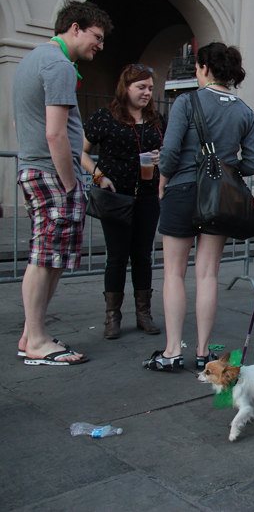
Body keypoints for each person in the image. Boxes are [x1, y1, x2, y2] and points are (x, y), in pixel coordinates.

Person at [143, 42, 254, 372]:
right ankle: (203, 351)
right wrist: (226, 166)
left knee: (174, 272)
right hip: (219, 198)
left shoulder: (187, 101)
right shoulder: (244, 111)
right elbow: (253, 163)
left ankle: (172, 351)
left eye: (197, 67)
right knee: (208, 273)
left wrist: (164, 179)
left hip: (182, 190)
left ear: (205, 68)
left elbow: (169, 152)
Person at [13, 0, 112, 365]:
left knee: (49, 257)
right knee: (45, 258)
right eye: (97, 36)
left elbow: (22, 123)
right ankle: (37, 340)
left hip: (37, 168)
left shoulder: (33, 60)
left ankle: (32, 334)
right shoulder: (59, 66)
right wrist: (70, 184)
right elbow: (55, 134)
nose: (100, 45)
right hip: (52, 174)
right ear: (75, 28)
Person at [80, 64, 164, 340]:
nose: (147, 93)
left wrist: (161, 158)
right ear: (125, 88)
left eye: (150, 88)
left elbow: (167, 151)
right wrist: (99, 176)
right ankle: (112, 317)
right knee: (116, 257)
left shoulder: (155, 120)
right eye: (141, 87)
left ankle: (144, 314)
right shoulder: (105, 116)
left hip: (147, 195)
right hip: (116, 196)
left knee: (143, 256)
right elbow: (80, 151)